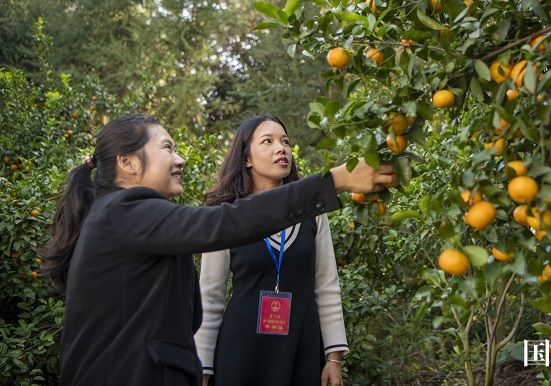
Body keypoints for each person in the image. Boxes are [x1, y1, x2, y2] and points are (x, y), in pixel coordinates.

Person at [42, 114, 394, 386]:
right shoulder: (126, 210)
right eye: (167, 148)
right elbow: (224, 224)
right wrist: (334, 181)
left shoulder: (126, 216)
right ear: (128, 162)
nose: (179, 159)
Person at [195, 116, 348, 386]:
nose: (281, 148)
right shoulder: (226, 215)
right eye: (268, 141)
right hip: (241, 349)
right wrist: (203, 367)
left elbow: (326, 284)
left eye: (285, 141)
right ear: (247, 159)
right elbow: (210, 295)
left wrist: (333, 358)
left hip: (301, 346)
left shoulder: (312, 211)